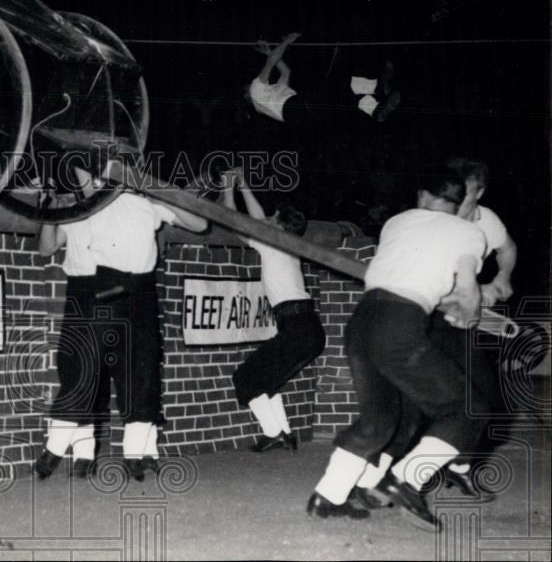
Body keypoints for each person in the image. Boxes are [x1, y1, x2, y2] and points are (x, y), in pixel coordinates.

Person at [307, 171, 489, 530]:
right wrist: (470, 311)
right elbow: (467, 294)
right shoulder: (469, 233)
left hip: (362, 320)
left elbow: (407, 275)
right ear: (458, 202)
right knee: (469, 409)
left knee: (379, 418)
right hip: (400, 321)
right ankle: (405, 479)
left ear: (422, 195)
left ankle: (327, 495)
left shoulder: (396, 222)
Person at [352, 157, 519, 505]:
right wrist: (471, 295)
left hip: (461, 319)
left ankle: (458, 468)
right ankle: (373, 481)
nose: (457, 203)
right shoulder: (428, 223)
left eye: (467, 194)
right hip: (425, 317)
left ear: (479, 192)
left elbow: (507, 249)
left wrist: (501, 279)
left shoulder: (486, 221)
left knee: (481, 395)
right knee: (411, 406)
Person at [33, 164, 208, 481]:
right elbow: (46, 247)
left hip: (136, 290)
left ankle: (135, 455)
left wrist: (154, 189)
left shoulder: (143, 199)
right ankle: (65, 449)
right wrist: (49, 210)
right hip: (86, 289)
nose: (88, 177)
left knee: (139, 370)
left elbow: (199, 222)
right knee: (80, 370)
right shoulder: (76, 205)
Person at [221, 168, 325, 452]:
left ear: (278, 226)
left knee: (244, 377)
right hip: (307, 328)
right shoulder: (287, 244)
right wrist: (240, 184)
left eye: (272, 218)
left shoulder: (274, 243)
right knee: (263, 378)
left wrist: (230, 187)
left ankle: (273, 432)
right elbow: (255, 220)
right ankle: (283, 433)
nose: (266, 219)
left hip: (297, 327)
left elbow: (233, 219)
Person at [249, 33, 401, 124]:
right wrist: (286, 41)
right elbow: (270, 63)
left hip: (300, 114)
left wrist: (269, 51)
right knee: (339, 86)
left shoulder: (269, 97)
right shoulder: (255, 89)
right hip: (296, 109)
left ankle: (377, 103)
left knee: (343, 91)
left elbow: (286, 72)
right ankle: (378, 91)